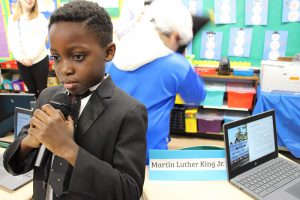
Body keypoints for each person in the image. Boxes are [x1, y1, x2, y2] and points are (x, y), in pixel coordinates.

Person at [4, 1, 148, 200]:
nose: (64, 69)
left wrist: (66, 148)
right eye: (56, 57)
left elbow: (129, 191)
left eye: (78, 56)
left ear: (108, 52)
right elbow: (12, 164)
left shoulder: (129, 112)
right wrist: (31, 140)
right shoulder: (48, 97)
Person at [106, 0, 206, 164]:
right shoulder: (177, 65)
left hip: (110, 149)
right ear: (176, 36)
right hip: (150, 156)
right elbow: (196, 96)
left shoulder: (112, 54)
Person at [7, 0, 49, 97]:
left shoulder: (40, 18)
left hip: (39, 60)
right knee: (31, 92)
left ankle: (44, 111)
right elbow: (12, 41)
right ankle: (34, 111)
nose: (29, 0)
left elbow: (41, 40)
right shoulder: (13, 18)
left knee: (43, 91)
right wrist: (21, 58)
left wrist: (31, 58)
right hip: (22, 62)